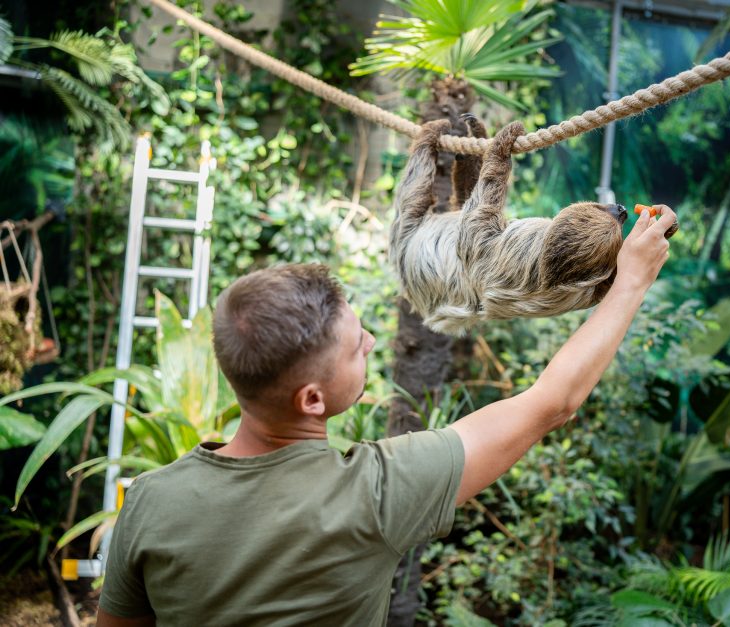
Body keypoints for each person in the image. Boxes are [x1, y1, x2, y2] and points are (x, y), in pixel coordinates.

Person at [95, 205, 676, 627]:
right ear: (312, 401)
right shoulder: (376, 493)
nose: (372, 341)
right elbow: (553, 401)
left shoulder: (148, 500)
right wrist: (633, 279)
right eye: (355, 346)